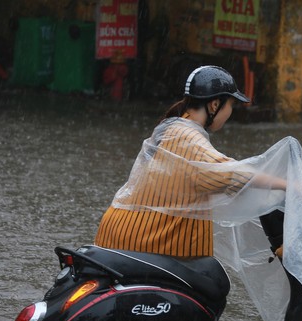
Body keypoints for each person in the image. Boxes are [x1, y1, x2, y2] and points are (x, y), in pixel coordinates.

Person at [94, 65, 285, 257]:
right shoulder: (185, 137)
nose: (230, 113)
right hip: (145, 241)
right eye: (231, 106)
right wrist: (290, 185)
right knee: (212, 281)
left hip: (127, 234)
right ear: (215, 105)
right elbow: (230, 174)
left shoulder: (173, 127)